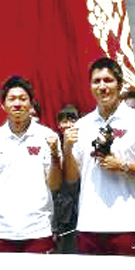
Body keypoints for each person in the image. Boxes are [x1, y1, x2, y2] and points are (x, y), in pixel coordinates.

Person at [63, 57, 135, 256]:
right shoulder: (82, 125)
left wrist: (123, 165)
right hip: (89, 224)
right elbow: (72, 177)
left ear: (120, 85)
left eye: (108, 80)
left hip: (128, 223)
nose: (102, 86)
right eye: (96, 81)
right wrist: (66, 148)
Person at [0, 76, 61, 253]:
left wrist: (55, 155)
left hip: (38, 230)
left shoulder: (48, 137)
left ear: (31, 104)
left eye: (23, 99)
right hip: (2, 231)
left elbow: (54, 185)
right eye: (12, 99)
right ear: (3, 105)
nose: (17, 103)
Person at [53, 105, 80, 254]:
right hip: (60, 208)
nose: (68, 124)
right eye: (63, 121)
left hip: (79, 206)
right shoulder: (53, 144)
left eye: (72, 120)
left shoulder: (84, 144)